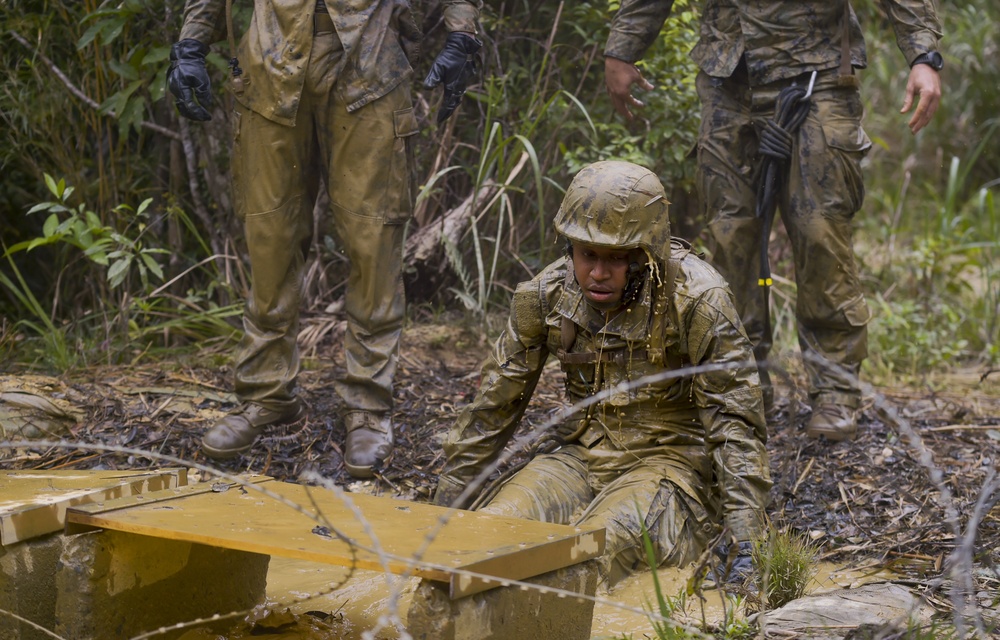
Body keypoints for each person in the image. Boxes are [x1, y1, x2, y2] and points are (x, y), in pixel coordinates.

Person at [167, 0, 482, 477]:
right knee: (270, 235)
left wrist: (463, 35)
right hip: (269, 69)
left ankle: (368, 403)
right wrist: (191, 43)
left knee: (372, 237)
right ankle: (266, 393)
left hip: (371, 67)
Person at [603, 1, 943, 441]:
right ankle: (741, 383)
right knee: (730, 235)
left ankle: (835, 388)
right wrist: (622, 48)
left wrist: (923, 56)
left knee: (820, 231)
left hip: (816, 74)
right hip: (728, 77)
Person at [432, 160, 772, 587]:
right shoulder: (545, 295)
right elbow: (491, 411)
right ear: (569, 247)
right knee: (487, 537)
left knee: (584, 560)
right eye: (587, 254)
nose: (597, 273)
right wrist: (441, 519)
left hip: (673, 466)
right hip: (580, 456)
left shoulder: (699, 299)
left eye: (615, 259)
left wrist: (745, 547)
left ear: (645, 254)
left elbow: (735, 423)